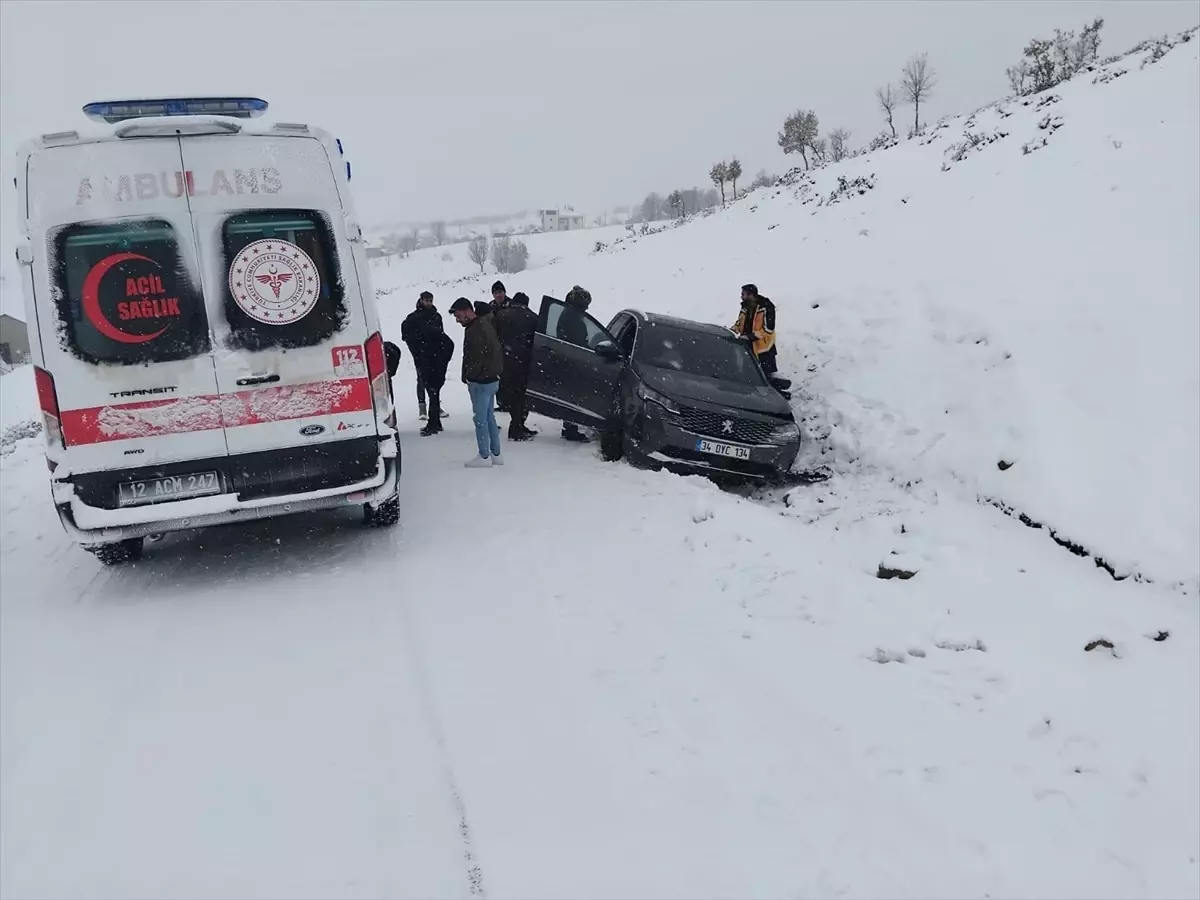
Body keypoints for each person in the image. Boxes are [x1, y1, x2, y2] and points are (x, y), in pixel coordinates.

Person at [449, 297, 505, 467]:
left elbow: (476, 358)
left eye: (458, 316)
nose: (457, 320)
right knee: (489, 417)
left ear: (467, 311)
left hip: (481, 381)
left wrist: (470, 376)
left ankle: (484, 456)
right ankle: (496, 454)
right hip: (491, 379)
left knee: (480, 419)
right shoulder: (485, 324)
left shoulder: (475, 329)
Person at [401, 291, 454, 436]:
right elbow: (406, 336)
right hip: (423, 357)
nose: (428, 303)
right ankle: (425, 411)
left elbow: (441, 337)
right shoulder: (413, 318)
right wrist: (418, 351)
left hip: (436, 358)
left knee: (434, 389)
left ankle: (434, 420)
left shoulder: (436, 316)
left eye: (430, 300)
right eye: (426, 300)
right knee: (425, 383)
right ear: (421, 300)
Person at [494, 291, 539, 441]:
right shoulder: (533, 318)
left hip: (505, 361)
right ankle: (517, 428)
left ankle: (517, 425)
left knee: (513, 395)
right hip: (524, 362)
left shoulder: (501, 315)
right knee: (522, 396)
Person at [557, 285, 594, 442]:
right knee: (573, 396)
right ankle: (570, 429)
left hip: (568, 359)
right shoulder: (573, 317)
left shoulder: (568, 313)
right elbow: (578, 341)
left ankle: (569, 426)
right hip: (573, 360)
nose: (587, 309)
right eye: (586, 305)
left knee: (571, 395)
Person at [733, 283, 777, 375]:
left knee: (766, 378)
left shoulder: (766, 307)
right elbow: (739, 323)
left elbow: (768, 329)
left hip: (764, 351)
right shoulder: (745, 306)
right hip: (747, 348)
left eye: (743, 294)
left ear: (750, 295)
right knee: (748, 375)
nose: (741, 297)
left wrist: (750, 337)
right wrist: (732, 330)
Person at [490, 282, 512, 411]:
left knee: (509, 375)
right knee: (497, 375)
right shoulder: (491, 307)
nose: (498, 295)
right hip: (495, 345)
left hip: (509, 345)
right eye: (495, 293)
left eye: (500, 292)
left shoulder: (511, 306)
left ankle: (509, 401)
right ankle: (501, 402)